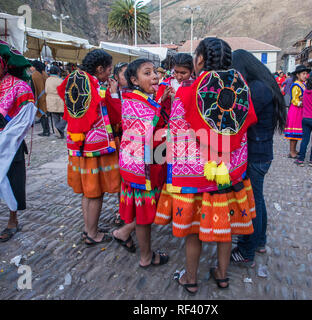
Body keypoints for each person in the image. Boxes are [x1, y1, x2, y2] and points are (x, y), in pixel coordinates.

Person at [154, 38, 257, 295]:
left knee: (193, 231)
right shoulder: (240, 87)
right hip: (228, 173)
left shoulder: (189, 92)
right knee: (225, 227)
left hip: (197, 177)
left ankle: (190, 278)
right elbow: (243, 127)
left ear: (199, 60)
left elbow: (177, 132)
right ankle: (222, 275)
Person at [57, 49, 121, 245]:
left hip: (78, 144)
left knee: (87, 191)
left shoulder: (73, 80)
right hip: (94, 147)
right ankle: (93, 234)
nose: (109, 75)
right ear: (100, 68)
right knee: (95, 192)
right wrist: (113, 94)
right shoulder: (95, 86)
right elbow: (115, 115)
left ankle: (88, 228)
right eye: (109, 70)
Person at [0, 38, 36, 243]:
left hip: (11, 142)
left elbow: (24, 119)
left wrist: (2, 142)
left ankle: (12, 221)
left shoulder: (19, 86)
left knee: (12, 181)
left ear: (3, 62)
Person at [230, 49, 286, 267]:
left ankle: (247, 252)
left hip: (256, 154)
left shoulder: (257, 90)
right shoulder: (263, 85)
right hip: (261, 153)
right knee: (258, 200)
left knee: (253, 202)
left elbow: (242, 118)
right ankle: (259, 241)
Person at [117, 59, 170, 267]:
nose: (155, 76)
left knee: (145, 213)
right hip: (141, 167)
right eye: (147, 73)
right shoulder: (132, 100)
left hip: (150, 161)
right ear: (134, 80)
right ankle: (146, 257)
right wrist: (159, 100)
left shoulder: (144, 98)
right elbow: (147, 128)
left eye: (155, 72)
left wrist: (160, 100)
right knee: (144, 216)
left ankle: (123, 233)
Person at [112, 62, 129, 227]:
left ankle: (128, 208)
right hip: (118, 139)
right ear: (116, 77)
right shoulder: (112, 93)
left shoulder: (135, 93)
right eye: (125, 74)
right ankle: (120, 209)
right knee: (119, 177)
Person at [156, 53, 194, 126]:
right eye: (176, 72)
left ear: (192, 71)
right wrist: (163, 98)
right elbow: (156, 108)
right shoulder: (165, 85)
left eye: (183, 73)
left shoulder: (196, 86)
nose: (179, 77)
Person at [284, 64, 311, 158]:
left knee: (298, 132)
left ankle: (294, 149)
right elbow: (294, 100)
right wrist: (301, 102)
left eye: (306, 74)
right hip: (296, 111)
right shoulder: (296, 85)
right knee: (294, 132)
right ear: (298, 75)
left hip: (300, 111)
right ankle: (292, 151)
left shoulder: (303, 84)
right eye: (303, 73)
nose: (305, 75)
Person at [45, 66, 66, 139]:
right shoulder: (60, 80)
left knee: (55, 117)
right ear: (58, 72)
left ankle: (59, 134)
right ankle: (60, 128)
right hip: (59, 99)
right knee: (66, 116)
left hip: (50, 100)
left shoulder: (47, 80)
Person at [30, 60, 49, 137]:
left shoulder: (34, 75)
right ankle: (47, 130)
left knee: (42, 113)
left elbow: (33, 88)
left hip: (39, 96)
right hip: (46, 95)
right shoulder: (44, 73)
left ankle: (46, 131)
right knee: (45, 113)